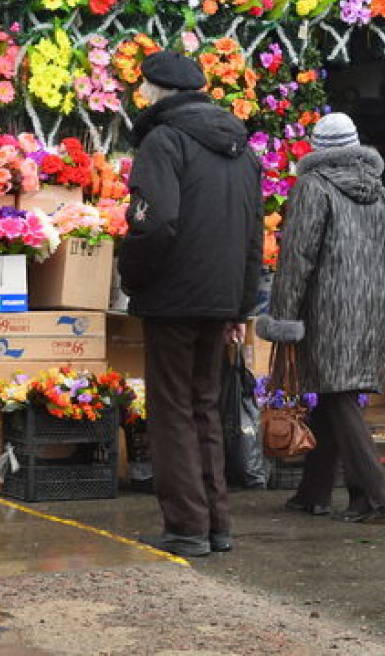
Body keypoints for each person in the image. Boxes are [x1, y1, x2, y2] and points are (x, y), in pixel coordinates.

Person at [257, 112, 385, 523]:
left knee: (340, 399)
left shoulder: (314, 186)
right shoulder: (380, 192)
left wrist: (283, 318)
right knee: (332, 398)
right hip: (371, 313)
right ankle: (314, 493)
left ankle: (376, 498)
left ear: (320, 150)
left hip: (329, 310)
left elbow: (298, 258)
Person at [119, 51, 263, 558]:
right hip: (221, 298)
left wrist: (132, 277)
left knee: (173, 410)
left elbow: (153, 223)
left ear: (156, 92)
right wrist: (241, 308)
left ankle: (187, 526)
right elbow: (253, 236)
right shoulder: (242, 150)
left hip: (174, 296)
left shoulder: (164, 141)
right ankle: (215, 523)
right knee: (205, 408)